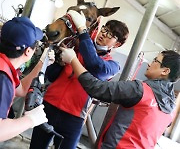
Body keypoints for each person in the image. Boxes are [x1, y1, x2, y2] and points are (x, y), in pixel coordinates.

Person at [30, 10, 129, 149]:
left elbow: (94, 64)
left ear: (117, 44)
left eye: (111, 35)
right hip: (48, 107)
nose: (104, 34)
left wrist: (82, 30)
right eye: (105, 30)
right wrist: (59, 63)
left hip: (73, 118)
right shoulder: (76, 48)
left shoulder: (111, 66)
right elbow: (51, 76)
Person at [60, 47, 180, 149]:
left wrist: (73, 60)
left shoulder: (140, 90)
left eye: (155, 61)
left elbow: (97, 88)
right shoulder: (171, 108)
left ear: (165, 71)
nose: (149, 64)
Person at [0, 17, 55, 142]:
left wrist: (42, 62)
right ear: (28, 51)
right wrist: (31, 120)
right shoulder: (3, 78)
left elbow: (22, 89)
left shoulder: (4, 66)